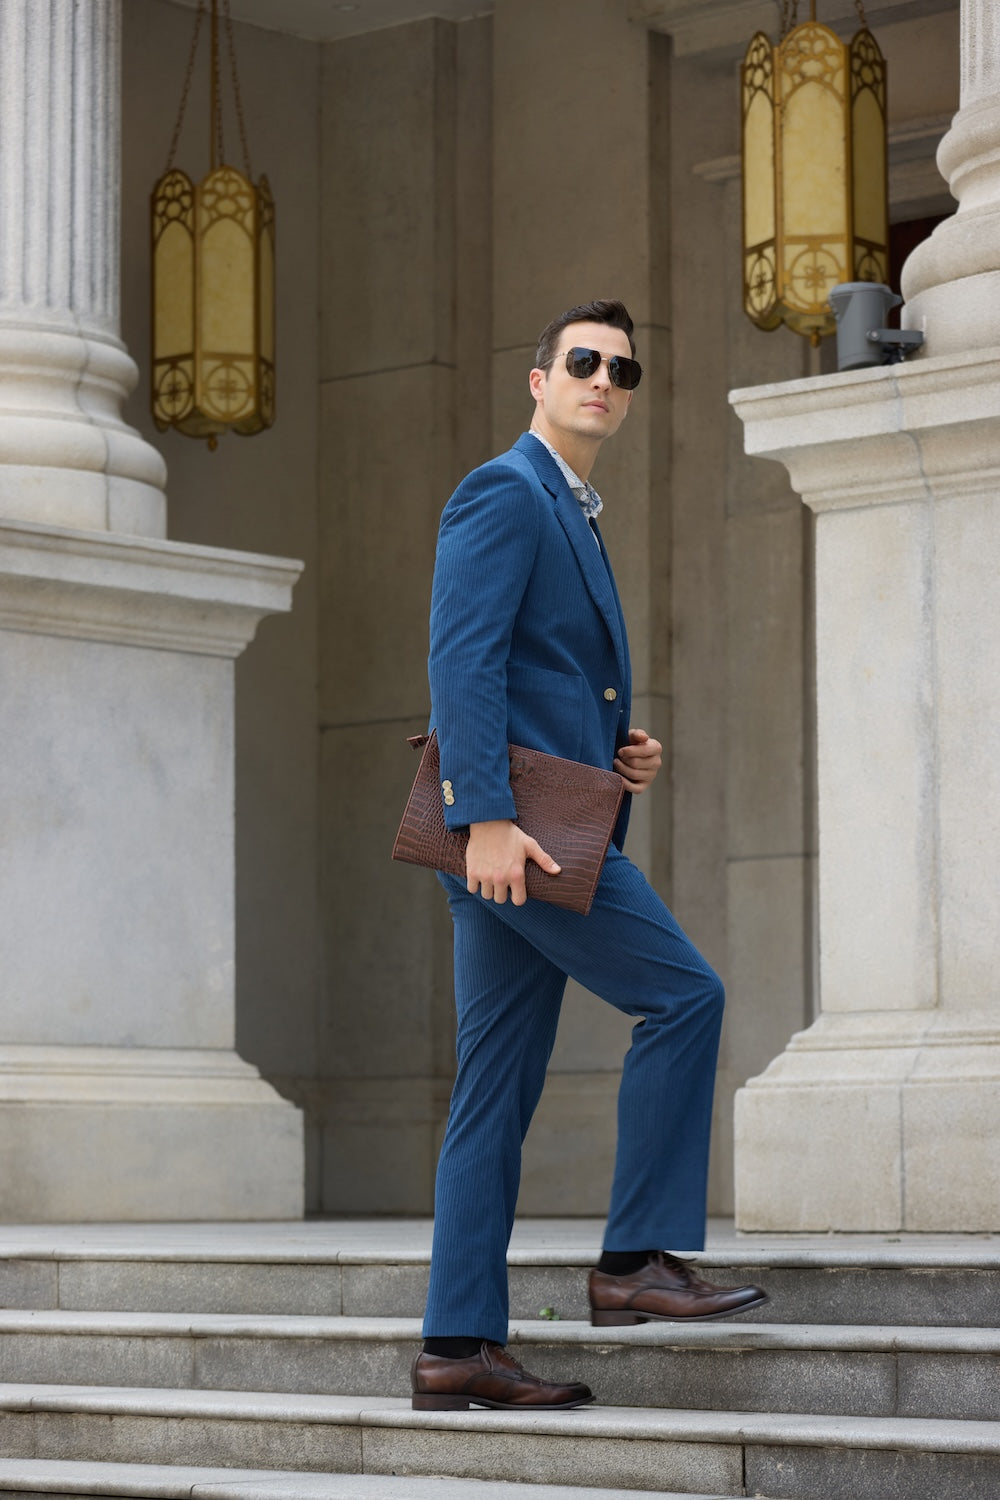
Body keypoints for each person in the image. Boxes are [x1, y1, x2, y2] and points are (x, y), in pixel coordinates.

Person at [410, 300, 766, 1414]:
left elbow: (540, 671)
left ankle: (458, 1346)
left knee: (492, 1095)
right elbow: (460, 660)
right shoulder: (504, 491)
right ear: (537, 379)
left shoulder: (572, 508)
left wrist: (618, 747)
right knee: (686, 996)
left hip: (541, 819)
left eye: (622, 368)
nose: (602, 380)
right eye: (581, 362)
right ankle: (633, 1264)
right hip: (521, 838)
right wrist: (484, 817)